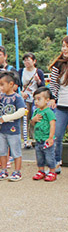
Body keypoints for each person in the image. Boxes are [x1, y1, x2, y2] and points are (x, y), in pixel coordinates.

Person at [0, 71, 26, 181]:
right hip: (2, 130)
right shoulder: (1, 96)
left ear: (10, 84)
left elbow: (22, 111)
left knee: (16, 151)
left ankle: (17, 171)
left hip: (13, 130)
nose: (0, 87)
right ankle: (3, 170)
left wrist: (7, 117)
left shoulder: (17, 97)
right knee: (1, 151)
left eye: (2, 84)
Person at [48, 35, 68, 174]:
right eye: (63, 46)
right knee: (57, 135)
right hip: (61, 105)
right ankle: (56, 162)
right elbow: (53, 84)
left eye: (67, 46)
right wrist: (53, 98)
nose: (64, 49)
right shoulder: (58, 65)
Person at [18, 52, 45, 148]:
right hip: (25, 97)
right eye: (24, 60)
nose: (26, 62)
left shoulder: (39, 72)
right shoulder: (21, 71)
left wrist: (38, 80)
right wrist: (21, 92)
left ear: (34, 61)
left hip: (35, 98)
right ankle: (26, 140)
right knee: (25, 118)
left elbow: (43, 86)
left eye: (28, 60)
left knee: (35, 117)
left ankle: (34, 138)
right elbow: (17, 84)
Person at [30, 87, 57, 181]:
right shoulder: (36, 111)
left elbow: (52, 124)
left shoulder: (49, 112)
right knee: (39, 156)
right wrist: (33, 120)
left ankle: (52, 171)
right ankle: (41, 170)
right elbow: (32, 123)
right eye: (35, 100)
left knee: (49, 156)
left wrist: (51, 137)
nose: (36, 102)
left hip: (47, 139)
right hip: (38, 138)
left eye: (39, 99)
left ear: (47, 100)